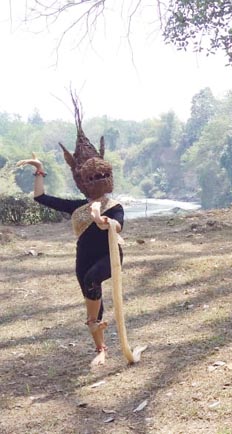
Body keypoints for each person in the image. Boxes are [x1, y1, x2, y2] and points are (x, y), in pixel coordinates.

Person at [15, 108, 123, 367]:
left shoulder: (113, 205)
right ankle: (100, 347)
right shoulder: (78, 206)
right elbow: (42, 198)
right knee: (91, 293)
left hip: (110, 256)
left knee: (92, 279)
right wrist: (39, 170)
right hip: (83, 258)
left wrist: (100, 219)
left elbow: (118, 226)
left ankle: (96, 328)